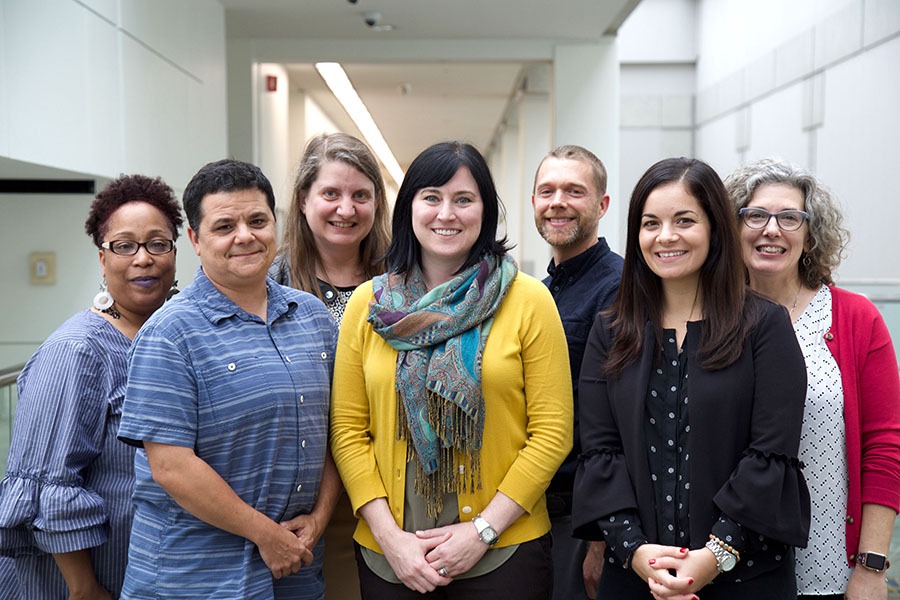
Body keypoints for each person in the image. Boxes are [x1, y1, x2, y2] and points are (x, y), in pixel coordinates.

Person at [330, 141, 573, 599]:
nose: (447, 213)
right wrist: (389, 539)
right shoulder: (368, 305)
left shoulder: (527, 300)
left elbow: (553, 430)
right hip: (392, 558)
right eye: (432, 197)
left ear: (485, 211)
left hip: (506, 552)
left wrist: (481, 531)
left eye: (464, 199)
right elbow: (347, 430)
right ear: (408, 209)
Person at [572, 157, 811, 599]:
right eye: (650, 223)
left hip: (745, 577)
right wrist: (638, 553)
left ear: (715, 228)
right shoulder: (611, 330)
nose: (666, 236)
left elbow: (770, 455)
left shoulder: (764, 326)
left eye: (685, 220)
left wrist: (712, 558)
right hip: (637, 576)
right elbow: (601, 452)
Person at [117, 159, 340, 599]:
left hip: (296, 569)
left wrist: (319, 518)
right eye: (224, 226)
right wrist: (265, 535)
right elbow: (171, 467)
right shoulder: (169, 333)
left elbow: (334, 432)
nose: (245, 236)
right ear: (196, 241)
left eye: (258, 220)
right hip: (194, 578)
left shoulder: (313, 318)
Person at [0, 174, 182, 598]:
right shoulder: (77, 350)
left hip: (151, 575)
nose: (143, 259)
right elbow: (45, 485)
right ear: (103, 260)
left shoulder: (170, 337)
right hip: (86, 583)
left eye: (158, 243)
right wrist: (83, 587)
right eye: (124, 246)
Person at [726, 158, 900, 600]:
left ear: (809, 235)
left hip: (829, 568)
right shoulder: (706, 317)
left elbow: (884, 446)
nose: (772, 229)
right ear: (732, 227)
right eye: (755, 215)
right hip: (723, 566)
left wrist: (872, 567)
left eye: (790, 218)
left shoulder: (856, 318)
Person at [270, 132, 391, 600]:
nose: (346, 209)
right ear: (303, 200)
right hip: (298, 496)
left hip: (386, 489)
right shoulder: (270, 283)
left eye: (361, 195)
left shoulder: (402, 282)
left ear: (377, 204)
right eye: (331, 194)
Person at [530, 145, 623, 600]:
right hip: (534, 513)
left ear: (602, 205)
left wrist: (602, 537)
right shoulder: (540, 293)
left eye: (574, 191)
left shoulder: (620, 290)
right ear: (533, 203)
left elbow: (621, 422)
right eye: (546, 191)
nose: (557, 202)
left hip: (580, 520)